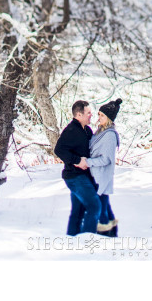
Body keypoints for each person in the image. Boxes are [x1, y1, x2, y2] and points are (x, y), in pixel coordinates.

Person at [54, 100, 101, 235]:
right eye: (88, 113)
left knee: (78, 211)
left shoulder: (87, 130)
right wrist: (77, 161)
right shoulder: (71, 130)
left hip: (84, 176)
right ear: (79, 115)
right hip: (75, 176)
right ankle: (87, 241)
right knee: (94, 206)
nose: (91, 115)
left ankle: (72, 241)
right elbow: (59, 150)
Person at [87, 98, 122, 237]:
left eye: (102, 115)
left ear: (109, 118)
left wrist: (88, 162)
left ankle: (105, 236)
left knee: (100, 208)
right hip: (95, 175)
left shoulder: (109, 136)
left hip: (101, 176)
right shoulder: (100, 131)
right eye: (99, 114)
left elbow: (106, 159)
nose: (99, 117)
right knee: (104, 206)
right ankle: (111, 235)